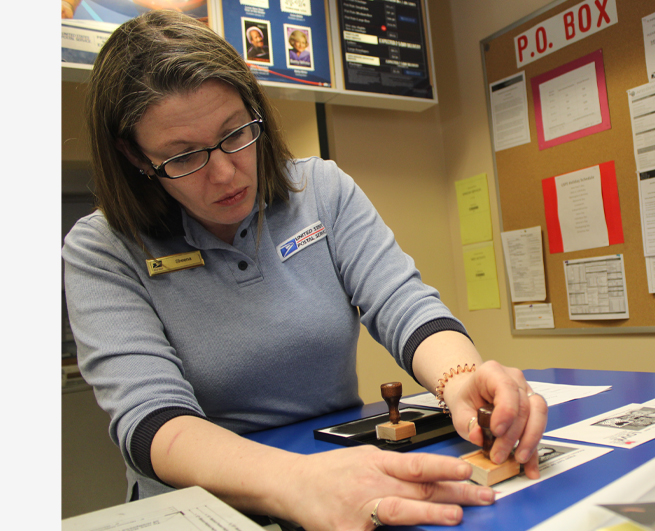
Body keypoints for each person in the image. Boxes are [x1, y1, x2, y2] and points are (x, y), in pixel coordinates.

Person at [61, 9, 547, 531]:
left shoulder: (320, 190)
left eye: (235, 134)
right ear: (134, 156)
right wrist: (299, 482)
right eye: (183, 158)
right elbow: (152, 418)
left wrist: (462, 383)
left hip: (339, 466)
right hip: (202, 506)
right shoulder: (100, 248)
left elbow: (403, 304)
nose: (226, 173)